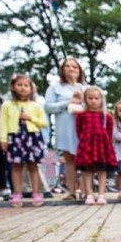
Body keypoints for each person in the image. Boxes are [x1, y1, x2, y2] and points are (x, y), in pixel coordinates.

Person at [0, 74, 48, 207]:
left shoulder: (36, 105)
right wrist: (3, 139)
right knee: (16, 166)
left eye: (26, 85)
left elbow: (44, 123)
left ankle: (36, 193)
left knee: (33, 165)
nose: (23, 88)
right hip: (15, 137)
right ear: (13, 87)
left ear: (31, 88)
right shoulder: (7, 105)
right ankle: (17, 193)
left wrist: (31, 118)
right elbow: (3, 123)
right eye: (19, 85)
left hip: (32, 137)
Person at [44, 57, 86, 199]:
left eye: (74, 67)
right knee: (70, 160)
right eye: (67, 66)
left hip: (84, 128)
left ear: (79, 70)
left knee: (86, 160)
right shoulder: (55, 88)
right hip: (65, 127)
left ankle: (87, 191)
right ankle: (72, 191)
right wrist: (67, 102)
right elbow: (48, 107)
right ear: (62, 70)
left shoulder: (85, 88)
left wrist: (83, 101)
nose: (71, 69)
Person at [75, 86, 117, 205]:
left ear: (101, 99)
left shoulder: (106, 116)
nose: (93, 101)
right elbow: (79, 131)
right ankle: (89, 194)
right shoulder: (81, 115)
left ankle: (101, 194)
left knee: (101, 170)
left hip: (102, 146)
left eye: (96, 98)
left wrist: (104, 142)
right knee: (87, 170)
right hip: (87, 144)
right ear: (85, 99)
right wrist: (86, 139)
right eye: (90, 98)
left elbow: (109, 131)